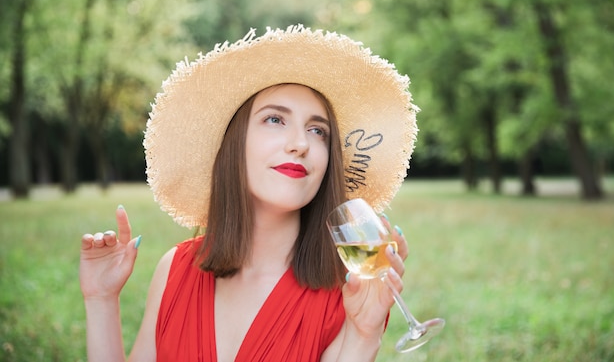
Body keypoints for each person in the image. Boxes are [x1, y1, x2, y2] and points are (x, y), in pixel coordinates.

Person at [79, 25, 419, 362]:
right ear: (234, 142)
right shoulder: (176, 269)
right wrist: (101, 299)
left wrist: (364, 334)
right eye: (275, 120)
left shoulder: (349, 295)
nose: (300, 144)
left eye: (318, 131)